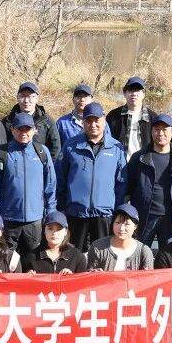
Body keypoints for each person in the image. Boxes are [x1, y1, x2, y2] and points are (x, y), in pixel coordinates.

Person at [56, 103, 127, 251]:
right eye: (88, 120)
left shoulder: (116, 148)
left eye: (97, 120)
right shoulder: (70, 146)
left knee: (102, 256)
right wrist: (62, 208)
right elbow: (60, 179)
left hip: (104, 215)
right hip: (76, 213)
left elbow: (121, 183)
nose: (93, 124)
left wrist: (116, 210)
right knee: (73, 255)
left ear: (104, 119)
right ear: (83, 122)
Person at [0, 112, 57, 256]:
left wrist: (50, 213)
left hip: (35, 220)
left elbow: (50, 185)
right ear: (12, 130)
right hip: (9, 219)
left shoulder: (42, 152)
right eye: (20, 129)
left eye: (27, 129)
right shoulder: (3, 152)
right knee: (6, 260)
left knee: (34, 261)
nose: (24, 133)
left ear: (34, 130)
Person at [126, 114, 172, 250]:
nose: (160, 133)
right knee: (139, 253)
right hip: (145, 216)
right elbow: (128, 187)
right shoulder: (139, 158)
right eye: (157, 129)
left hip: (171, 217)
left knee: (169, 256)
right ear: (151, 132)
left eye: (165, 129)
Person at [1, 81, 62, 160]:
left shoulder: (47, 121)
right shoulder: (7, 121)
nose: (26, 100)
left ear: (37, 98)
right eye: (22, 96)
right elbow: (1, 147)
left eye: (30, 96)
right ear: (17, 98)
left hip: (39, 165)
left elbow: (55, 148)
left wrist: (46, 165)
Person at [88, 204, 154, 271]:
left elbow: (150, 276)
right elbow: (89, 274)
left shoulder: (144, 251)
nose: (121, 228)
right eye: (117, 223)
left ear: (135, 226)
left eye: (127, 224)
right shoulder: (97, 247)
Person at [107, 76, 156, 161]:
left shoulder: (153, 117)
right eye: (131, 90)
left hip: (143, 164)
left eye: (138, 90)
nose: (134, 94)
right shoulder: (113, 116)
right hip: (119, 162)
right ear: (124, 93)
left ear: (143, 94)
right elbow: (106, 140)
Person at [23, 211, 88, 274]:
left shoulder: (77, 256)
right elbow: (21, 279)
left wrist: (71, 278)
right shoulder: (31, 257)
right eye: (50, 228)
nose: (54, 233)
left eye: (59, 229)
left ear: (65, 232)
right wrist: (28, 277)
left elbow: (84, 280)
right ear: (44, 231)